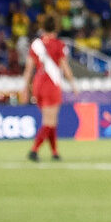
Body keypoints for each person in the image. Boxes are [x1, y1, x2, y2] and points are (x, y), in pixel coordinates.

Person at [24, 13, 73, 163]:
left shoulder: (35, 44)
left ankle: (54, 152)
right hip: (52, 85)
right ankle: (34, 150)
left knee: (51, 121)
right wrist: (73, 84)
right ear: (56, 28)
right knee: (49, 121)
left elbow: (28, 69)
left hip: (38, 85)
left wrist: (25, 88)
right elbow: (65, 67)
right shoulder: (59, 45)